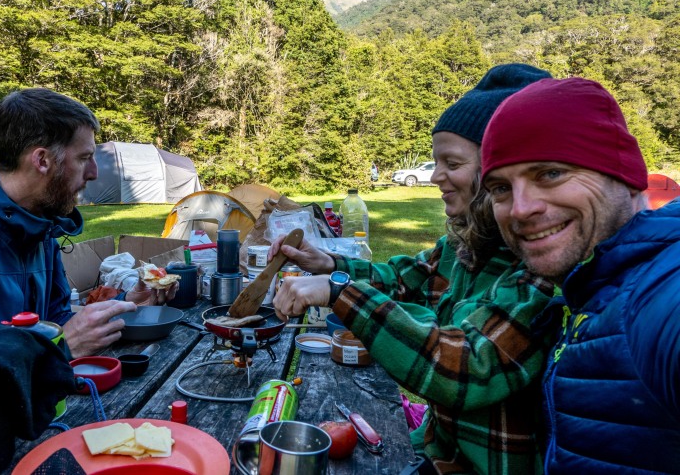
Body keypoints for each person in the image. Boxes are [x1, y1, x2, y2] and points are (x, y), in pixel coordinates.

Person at [271, 64, 556, 474]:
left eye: (452, 164)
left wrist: (339, 290)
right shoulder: (464, 245)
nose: (436, 176)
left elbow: (467, 370)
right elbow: (403, 281)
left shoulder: (539, 266)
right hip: (439, 454)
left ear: (498, 168)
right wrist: (330, 264)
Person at [480, 77, 680, 474]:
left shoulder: (659, 292)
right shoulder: (592, 289)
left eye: (550, 173)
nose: (520, 209)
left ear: (621, 171)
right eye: (501, 188)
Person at [0, 88, 175, 358]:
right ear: (42, 160)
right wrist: (56, 351)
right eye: (85, 158)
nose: (94, 173)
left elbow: (58, 320)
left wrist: (128, 305)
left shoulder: (39, 226)